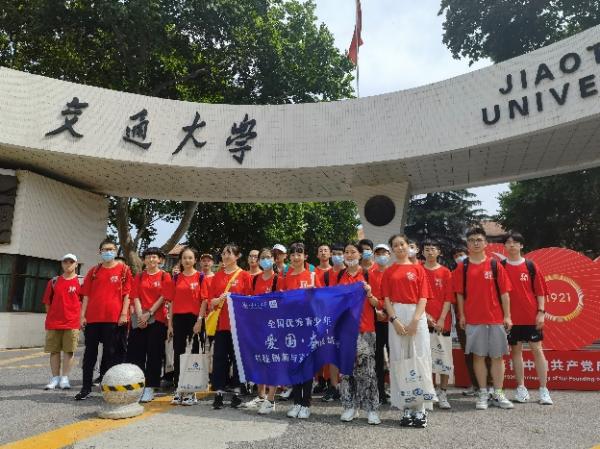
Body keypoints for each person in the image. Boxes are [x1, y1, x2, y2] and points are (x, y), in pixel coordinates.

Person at [454, 227, 514, 410]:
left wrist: (507, 316)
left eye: (479, 240)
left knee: (497, 357)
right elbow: (459, 294)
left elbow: (505, 293)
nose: (476, 243)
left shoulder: (495, 265)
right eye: (472, 240)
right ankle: (482, 392)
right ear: (467, 244)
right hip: (473, 319)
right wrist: (462, 315)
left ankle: (498, 392)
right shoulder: (463, 267)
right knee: (478, 356)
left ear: (486, 243)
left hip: (496, 319)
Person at [382, 234, 434, 428]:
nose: (399, 248)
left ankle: (420, 408)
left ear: (408, 246)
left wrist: (415, 321)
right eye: (395, 245)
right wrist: (394, 319)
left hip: (416, 315)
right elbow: (386, 298)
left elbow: (423, 297)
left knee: (419, 357)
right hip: (396, 314)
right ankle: (406, 406)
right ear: (392, 249)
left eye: (402, 244)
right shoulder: (389, 271)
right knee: (399, 358)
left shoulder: (418, 269)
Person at [76, 239, 132, 400]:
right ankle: (86, 388)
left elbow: (127, 294)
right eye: (105, 249)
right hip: (93, 319)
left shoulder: (124, 270)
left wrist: (123, 314)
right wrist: (82, 315)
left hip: (114, 319)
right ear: (99, 252)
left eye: (111, 249)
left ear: (116, 251)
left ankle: (108, 387)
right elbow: (86, 295)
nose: (108, 252)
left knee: (111, 354)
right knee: (89, 354)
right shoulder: (94, 271)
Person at [502, 231, 552, 405]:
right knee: (516, 352)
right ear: (505, 246)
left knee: (537, 350)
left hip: (531, 316)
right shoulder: (500, 266)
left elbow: (540, 292)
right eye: (508, 242)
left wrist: (541, 312)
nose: (512, 245)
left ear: (521, 245)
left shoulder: (530, 266)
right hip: (510, 318)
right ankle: (521, 388)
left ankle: (544, 390)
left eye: (515, 242)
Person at [337, 243, 381, 425]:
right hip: (345, 330)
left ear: (360, 255)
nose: (349, 255)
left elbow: (378, 303)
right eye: (346, 252)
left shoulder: (369, 274)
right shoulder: (340, 275)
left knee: (367, 371)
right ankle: (349, 406)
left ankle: (372, 409)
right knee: (346, 371)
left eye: (353, 252)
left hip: (365, 329)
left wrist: (369, 293)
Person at [207, 244, 253, 410]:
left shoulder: (245, 275)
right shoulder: (217, 276)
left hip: (238, 325)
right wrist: (218, 299)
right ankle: (218, 392)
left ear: (237, 256)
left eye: (229, 253)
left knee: (237, 359)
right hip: (221, 325)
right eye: (223, 253)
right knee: (219, 359)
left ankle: (237, 392)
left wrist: (233, 296)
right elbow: (210, 302)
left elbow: (249, 300)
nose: (225, 256)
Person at [127, 247, 171, 403]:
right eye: (148, 257)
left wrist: (149, 313)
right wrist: (140, 316)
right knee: (136, 354)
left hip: (157, 319)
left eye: (154, 257)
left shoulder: (165, 276)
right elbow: (135, 296)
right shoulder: (139, 276)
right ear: (144, 260)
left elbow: (163, 297)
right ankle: (137, 384)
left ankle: (150, 387)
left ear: (160, 260)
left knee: (154, 355)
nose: (151, 259)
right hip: (139, 319)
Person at [284, 242, 322, 420]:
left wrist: (313, 295)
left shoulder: (312, 275)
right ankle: (296, 402)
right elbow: (282, 301)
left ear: (305, 256)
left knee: (307, 364)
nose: (296, 257)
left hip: (308, 326)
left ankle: (306, 403)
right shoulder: (286, 277)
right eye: (292, 254)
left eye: (299, 254)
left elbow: (322, 299)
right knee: (294, 364)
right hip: (292, 326)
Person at [243, 247, 282, 415]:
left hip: (273, 326)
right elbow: (249, 301)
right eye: (262, 258)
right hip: (258, 326)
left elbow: (282, 302)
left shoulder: (278, 279)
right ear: (258, 261)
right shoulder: (255, 279)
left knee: (272, 361)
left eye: (268, 257)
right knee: (260, 360)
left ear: (274, 260)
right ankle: (260, 395)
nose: (265, 260)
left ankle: (271, 399)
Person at [166, 246, 206, 406]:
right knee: (178, 353)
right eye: (184, 258)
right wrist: (170, 324)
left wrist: (199, 320)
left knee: (194, 354)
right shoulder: (176, 278)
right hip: (178, 319)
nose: (187, 260)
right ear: (181, 260)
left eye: (190, 258)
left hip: (194, 319)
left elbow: (204, 301)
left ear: (195, 260)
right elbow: (171, 302)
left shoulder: (200, 277)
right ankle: (178, 388)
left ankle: (191, 390)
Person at [422, 239, 455, 410]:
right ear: (422, 252)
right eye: (426, 249)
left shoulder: (445, 272)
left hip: (443, 322)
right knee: (427, 359)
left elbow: (448, 298)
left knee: (444, 359)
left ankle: (443, 392)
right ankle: (430, 391)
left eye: (433, 249)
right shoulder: (418, 270)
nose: (430, 252)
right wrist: (426, 316)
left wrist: (441, 318)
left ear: (439, 252)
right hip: (423, 321)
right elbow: (416, 297)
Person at [42, 254, 82, 391]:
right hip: (54, 323)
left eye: (71, 262)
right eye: (65, 262)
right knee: (54, 351)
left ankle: (64, 378)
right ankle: (55, 378)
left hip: (72, 323)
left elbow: (85, 302)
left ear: (76, 264)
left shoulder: (81, 281)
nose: (68, 264)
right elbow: (47, 303)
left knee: (69, 351)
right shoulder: (54, 281)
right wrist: (52, 317)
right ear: (62, 264)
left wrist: (82, 318)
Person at [320, 243, 345, 402]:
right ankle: (334, 386)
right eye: (334, 253)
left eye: (340, 254)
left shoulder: (350, 273)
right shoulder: (326, 275)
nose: (337, 256)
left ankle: (347, 385)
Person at [371, 243, 391, 404]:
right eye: (378, 254)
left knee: (394, 356)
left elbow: (396, 296)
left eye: (384, 253)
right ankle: (380, 392)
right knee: (377, 358)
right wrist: (376, 312)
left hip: (392, 321)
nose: (381, 256)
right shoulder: (369, 274)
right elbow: (367, 296)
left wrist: (385, 310)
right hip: (376, 321)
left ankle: (396, 390)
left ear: (389, 255)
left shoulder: (394, 273)